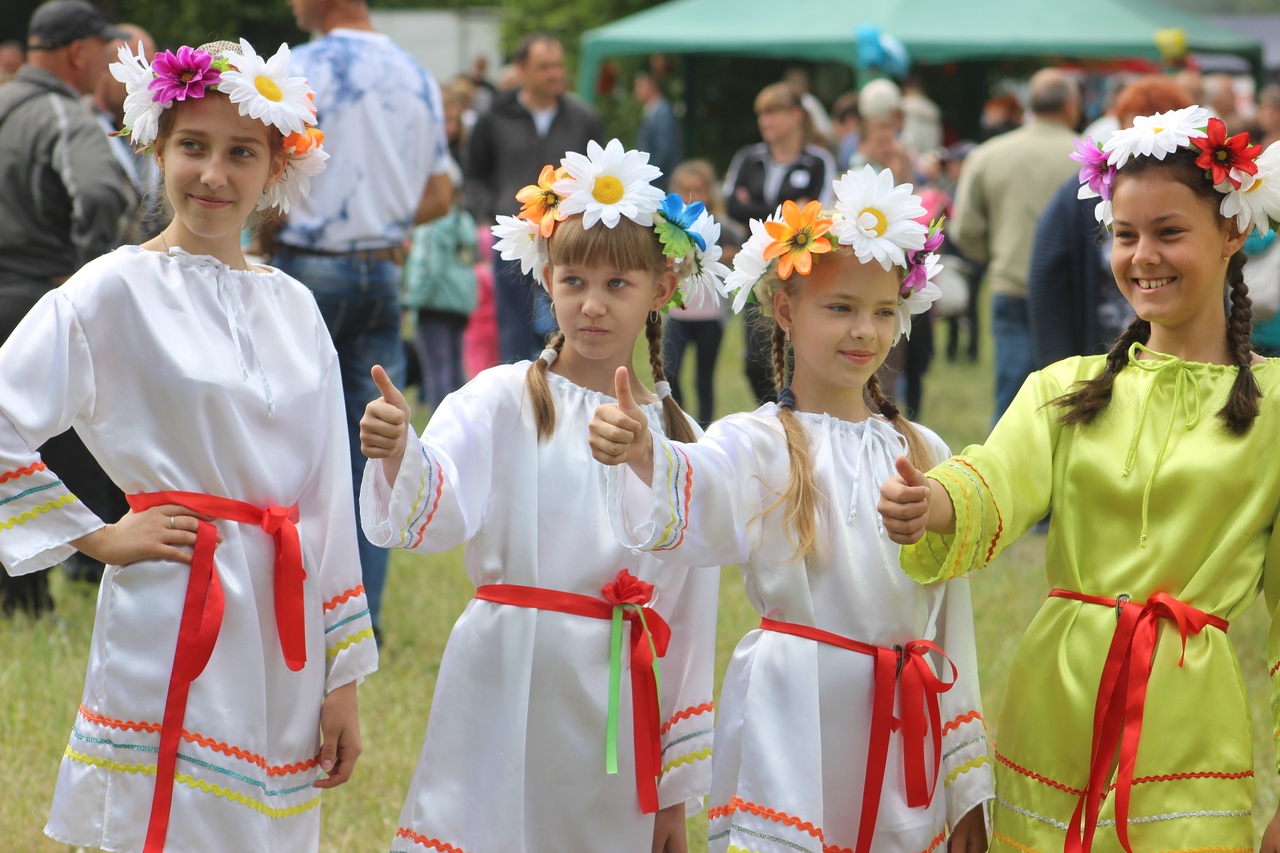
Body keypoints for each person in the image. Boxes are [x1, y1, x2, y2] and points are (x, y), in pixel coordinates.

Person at [0, 38, 376, 851]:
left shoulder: (295, 306)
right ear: (156, 149)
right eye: (192, 147)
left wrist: (340, 676)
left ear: (275, 169)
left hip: (282, 627)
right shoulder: (114, 289)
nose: (213, 174)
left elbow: (324, 495)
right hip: (176, 600)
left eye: (241, 153)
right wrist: (96, 532)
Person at [879, 106, 1280, 852]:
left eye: (1169, 232)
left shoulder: (1276, 407)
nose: (1142, 256)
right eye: (1125, 235)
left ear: (1233, 232)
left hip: (1188, 727)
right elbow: (993, 480)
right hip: (1056, 703)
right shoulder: (1064, 387)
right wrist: (933, 501)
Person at [590, 167, 992, 853]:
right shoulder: (758, 442)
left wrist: (967, 791)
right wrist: (644, 454)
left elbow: (952, 626)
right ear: (785, 310)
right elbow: (699, 483)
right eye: (839, 307)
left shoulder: (923, 448)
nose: (865, 330)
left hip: (901, 728)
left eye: (884, 310)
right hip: (793, 720)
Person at [359, 139, 725, 852]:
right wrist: (402, 447)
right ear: (546, 279)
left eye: (618, 285)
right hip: (499, 676)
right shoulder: (503, 399)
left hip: (612, 700)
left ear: (662, 287)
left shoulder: (680, 439)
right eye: (573, 280)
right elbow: (441, 501)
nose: (591, 304)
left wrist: (673, 795)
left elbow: (688, 616)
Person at [275, 0, 452, 642]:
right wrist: (385, 219)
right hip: (381, 272)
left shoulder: (295, 69)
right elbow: (439, 194)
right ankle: (359, 619)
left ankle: (287, 605)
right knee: (372, 452)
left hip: (307, 267)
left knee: (288, 443)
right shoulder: (416, 73)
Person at [0, 0, 135, 613]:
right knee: (61, 446)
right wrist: (90, 277)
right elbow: (103, 193)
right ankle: (39, 594)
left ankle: (17, 596)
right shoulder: (64, 114)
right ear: (79, 53)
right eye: (104, 54)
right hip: (37, 300)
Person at [1028, 75, 1191, 368]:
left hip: (1185, 356)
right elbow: (1047, 275)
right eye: (1126, 234)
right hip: (1102, 354)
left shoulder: (1201, 196)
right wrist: (1060, 366)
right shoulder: (1087, 193)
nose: (1142, 147)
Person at [951, 68, 1081, 423]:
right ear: (1071, 107)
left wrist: (995, 256)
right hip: (1070, 291)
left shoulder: (989, 154)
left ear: (1029, 105)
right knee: (1071, 398)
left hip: (1011, 283)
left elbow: (965, 228)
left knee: (1011, 400)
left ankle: (1002, 474)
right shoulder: (1089, 159)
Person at [465, 33, 604, 364]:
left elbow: (598, 173)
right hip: (515, 239)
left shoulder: (583, 117)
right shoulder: (494, 116)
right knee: (513, 329)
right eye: (545, 67)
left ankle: (566, 400)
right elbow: (474, 173)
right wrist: (491, 210)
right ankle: (519, 403)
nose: (555, 74)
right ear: (523, 69)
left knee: (569, 326)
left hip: (570, 240)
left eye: (558, 66)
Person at [724, 81, 836, 404]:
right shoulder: (748, 158)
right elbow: (732, 206)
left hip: (799, 268)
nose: (765, 121)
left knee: (795, 353)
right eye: (762, 114)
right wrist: (787, 209)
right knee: (754, 360)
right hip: (756, 266)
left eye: (773, 112)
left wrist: (756, 208)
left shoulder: (818, 162)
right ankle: (771, 412)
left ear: (797, 115)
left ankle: (796, 414)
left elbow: (818, 211)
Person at [662, 159, 742, 427]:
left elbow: (744, 247)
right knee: (669, 371)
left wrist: (722, 255)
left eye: (698, 190)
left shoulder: (721, 226)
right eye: (685, 190)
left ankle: (705, 430)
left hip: (710, 316)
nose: (691, 196)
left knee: (703, 379)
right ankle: (682, 424)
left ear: (710, 192)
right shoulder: (666, 229)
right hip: (678, 313)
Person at [402, 163, 477, 410]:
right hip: (459, 306)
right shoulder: (463, 220)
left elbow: (428, 267)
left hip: (433, 304)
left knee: (437, 373)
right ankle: (465, 432)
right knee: (456, 373)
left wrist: (410, 299)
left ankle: (441, 438)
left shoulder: (433, 222)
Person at [634, 71, 680, 190]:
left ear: (652, 88)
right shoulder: (653, 111)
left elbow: (664, 149)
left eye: (640, 86)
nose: (636, 91)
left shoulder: (662, 112)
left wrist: (647, 174)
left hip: (660, 181)